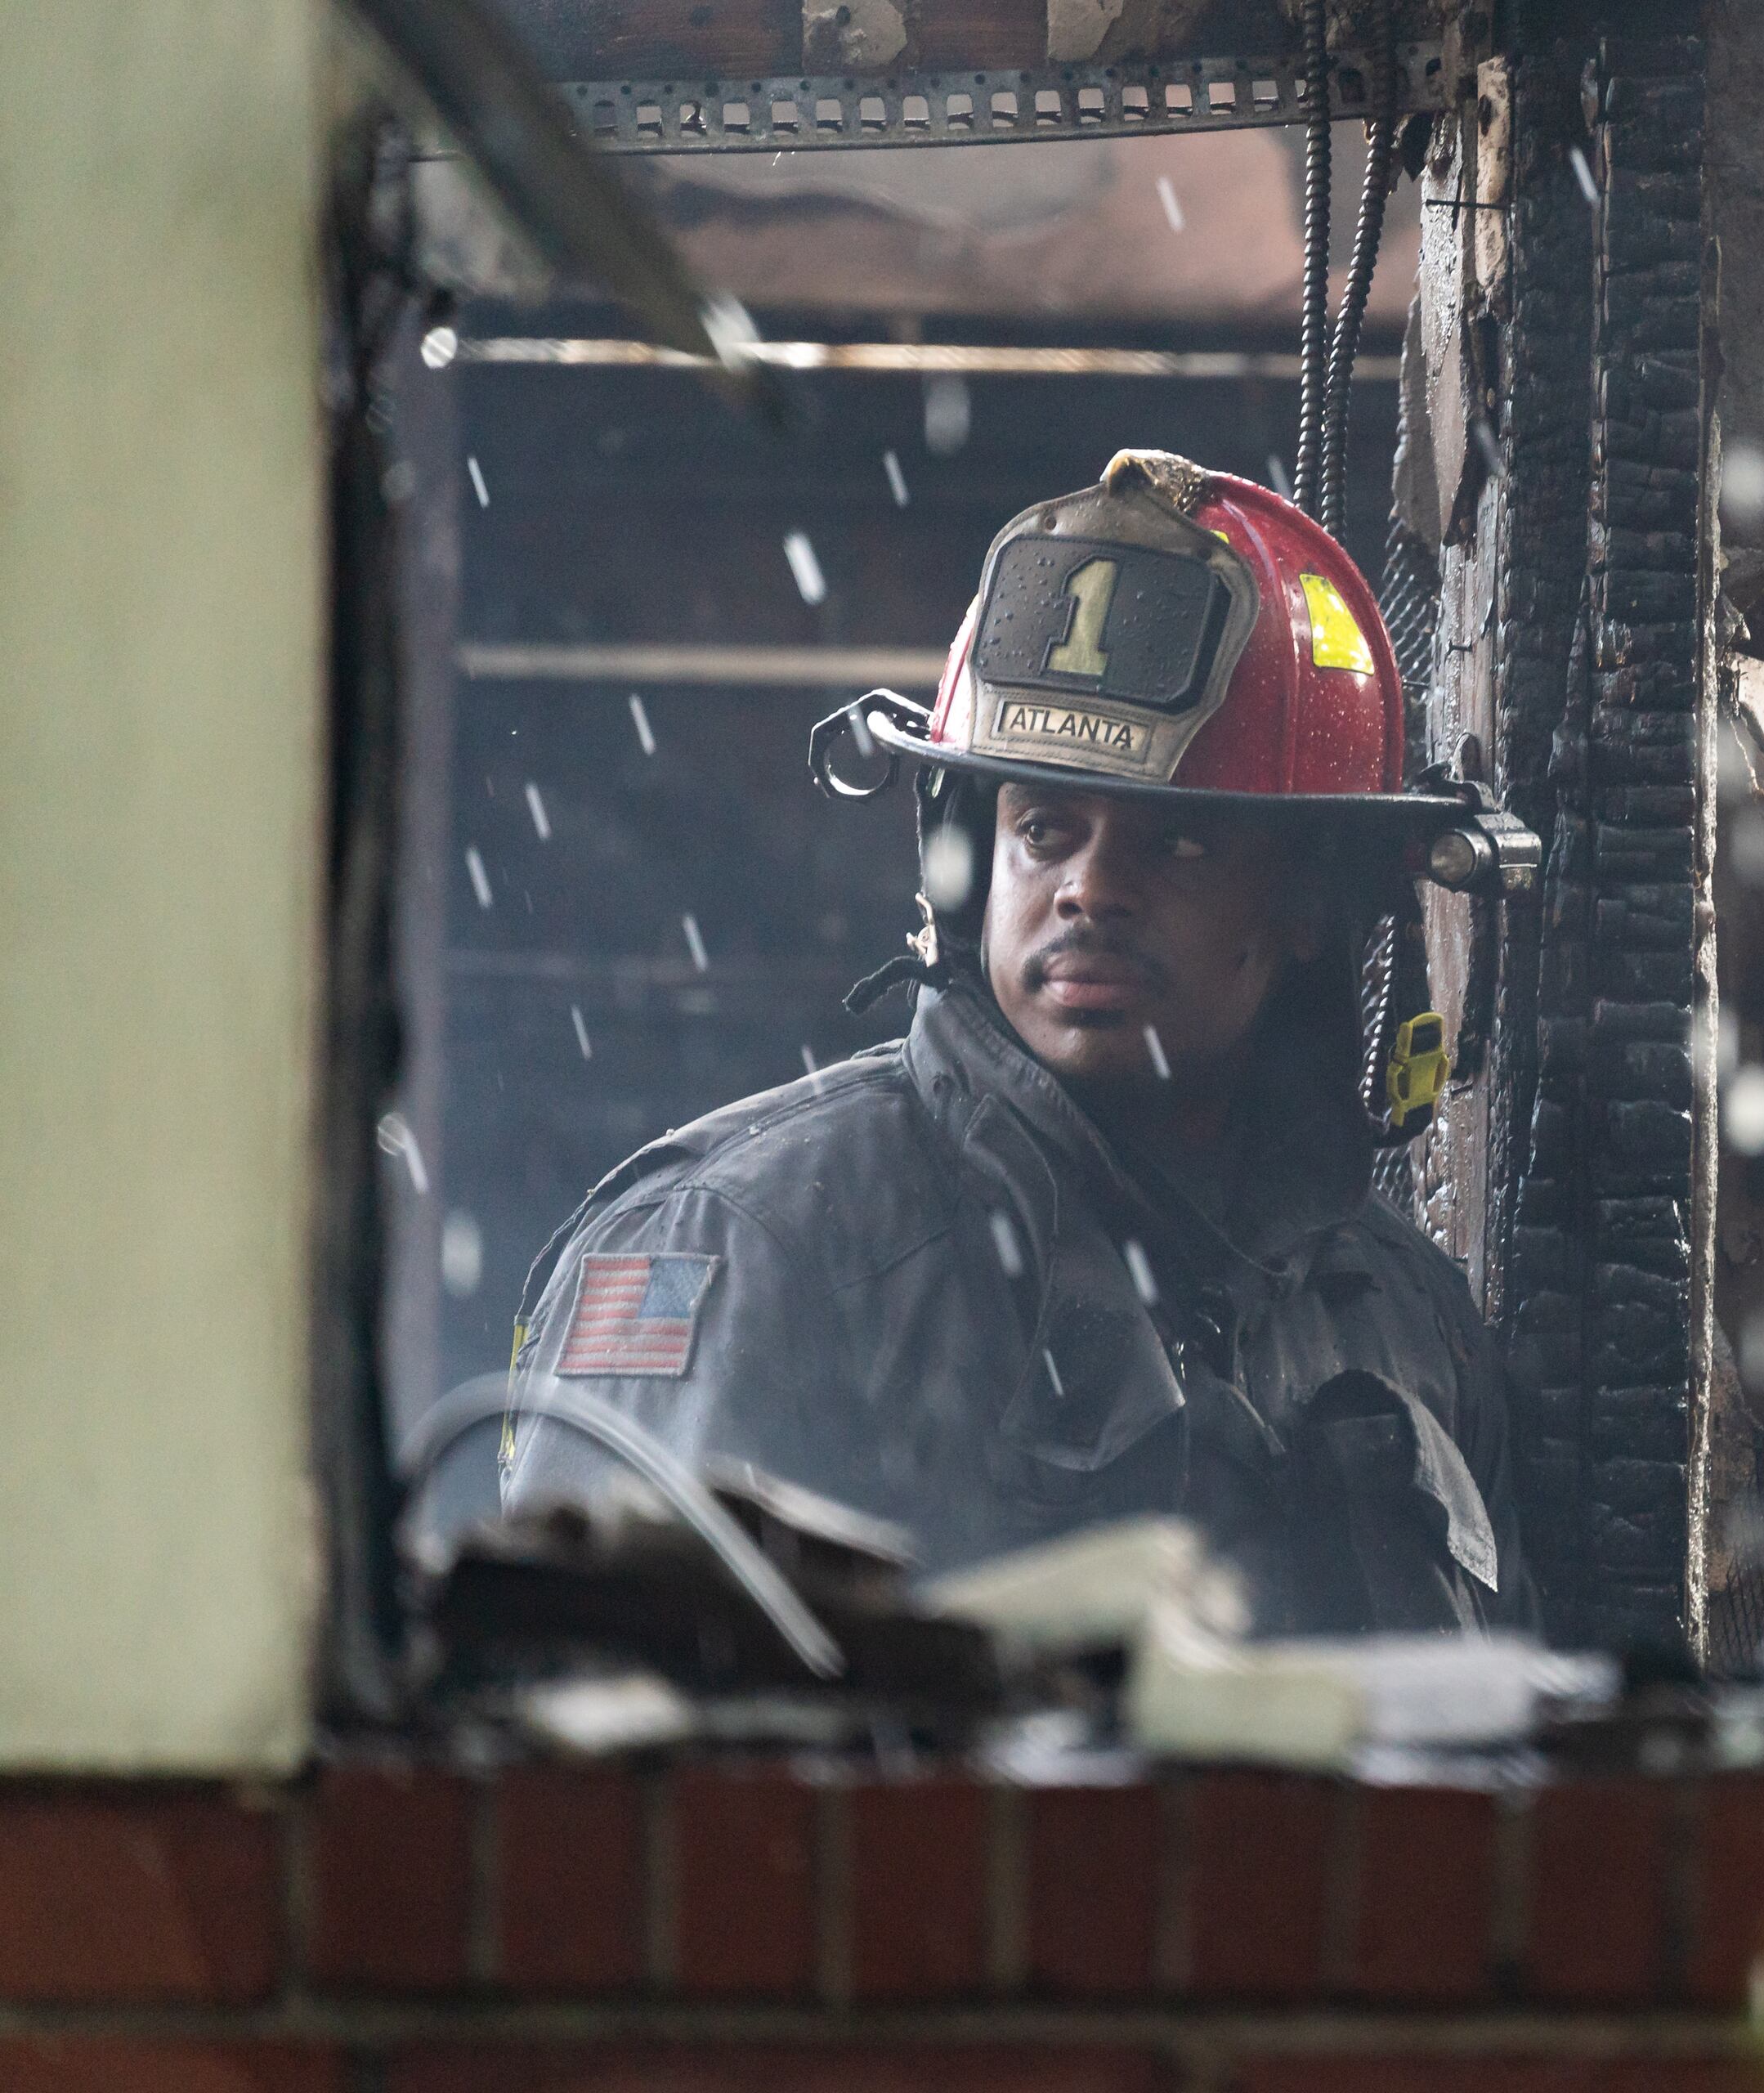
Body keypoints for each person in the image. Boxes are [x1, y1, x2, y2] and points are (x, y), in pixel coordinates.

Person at [485, 450, 1533, 1636]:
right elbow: (605, 1772)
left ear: (1305, 906)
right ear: (976, 861)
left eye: (1175, 843)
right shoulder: (755, 1252)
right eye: (1044, 829)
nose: (1090, 889)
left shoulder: (1403, 1318)